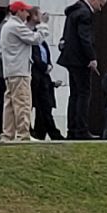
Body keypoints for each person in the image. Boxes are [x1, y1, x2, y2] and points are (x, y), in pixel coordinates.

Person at [57, 0, 105, 140]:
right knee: (84, 94)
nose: (100, 9)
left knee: (75, 95)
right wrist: (92, 58)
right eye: (101, 5)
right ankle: (81, 130)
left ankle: (72, 129)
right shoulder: (85, 14)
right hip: (80, 60)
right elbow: (85, 38)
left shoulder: (73, 11)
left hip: (70, 59)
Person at [0, 0, 48, 142]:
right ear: (18, 11)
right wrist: (43, 25)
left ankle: (8, 135)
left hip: (10, 71)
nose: (27, 14)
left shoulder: (7, 26)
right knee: (23, 103)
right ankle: (23, 135)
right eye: (25, 11)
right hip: (20, 71)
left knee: (10, 104)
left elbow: (1, 51)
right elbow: (35, 39)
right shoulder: (16, 26)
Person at [28, 8, 63, 141]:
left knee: (45, 106)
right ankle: (33, 131)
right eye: (39, 14)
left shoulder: (40, 38)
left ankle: (44, 132)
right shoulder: (31, 34)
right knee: (32, 105)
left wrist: (48, 65)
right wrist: (44, 66)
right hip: (35, 74)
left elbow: (43, 53)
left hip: (44, 76)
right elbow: (34, 55)